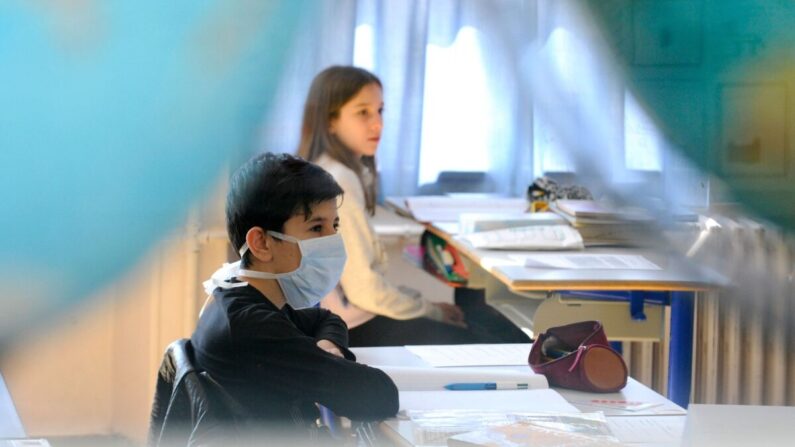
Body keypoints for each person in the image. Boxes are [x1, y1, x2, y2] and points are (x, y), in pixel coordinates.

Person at [297, 65, 530, 347]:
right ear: (330, 121)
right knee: (494, 336)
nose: (377, 124)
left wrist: (424, 305)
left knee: (482, 320)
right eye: (363, 113)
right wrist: (432, 311)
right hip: (353, 328)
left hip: (348, 319)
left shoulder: (333, 170)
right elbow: (364, 291)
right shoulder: (339, 180)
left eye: (380, 111)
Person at [191, 153, 398, 441]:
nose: (332, 240)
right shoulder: (251, 327)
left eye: (334, 226)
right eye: (316, 228)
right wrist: (328, 362)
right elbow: (377, 395)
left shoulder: (239, 293)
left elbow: (326, 318)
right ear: (261, 243)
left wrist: (327, 347)